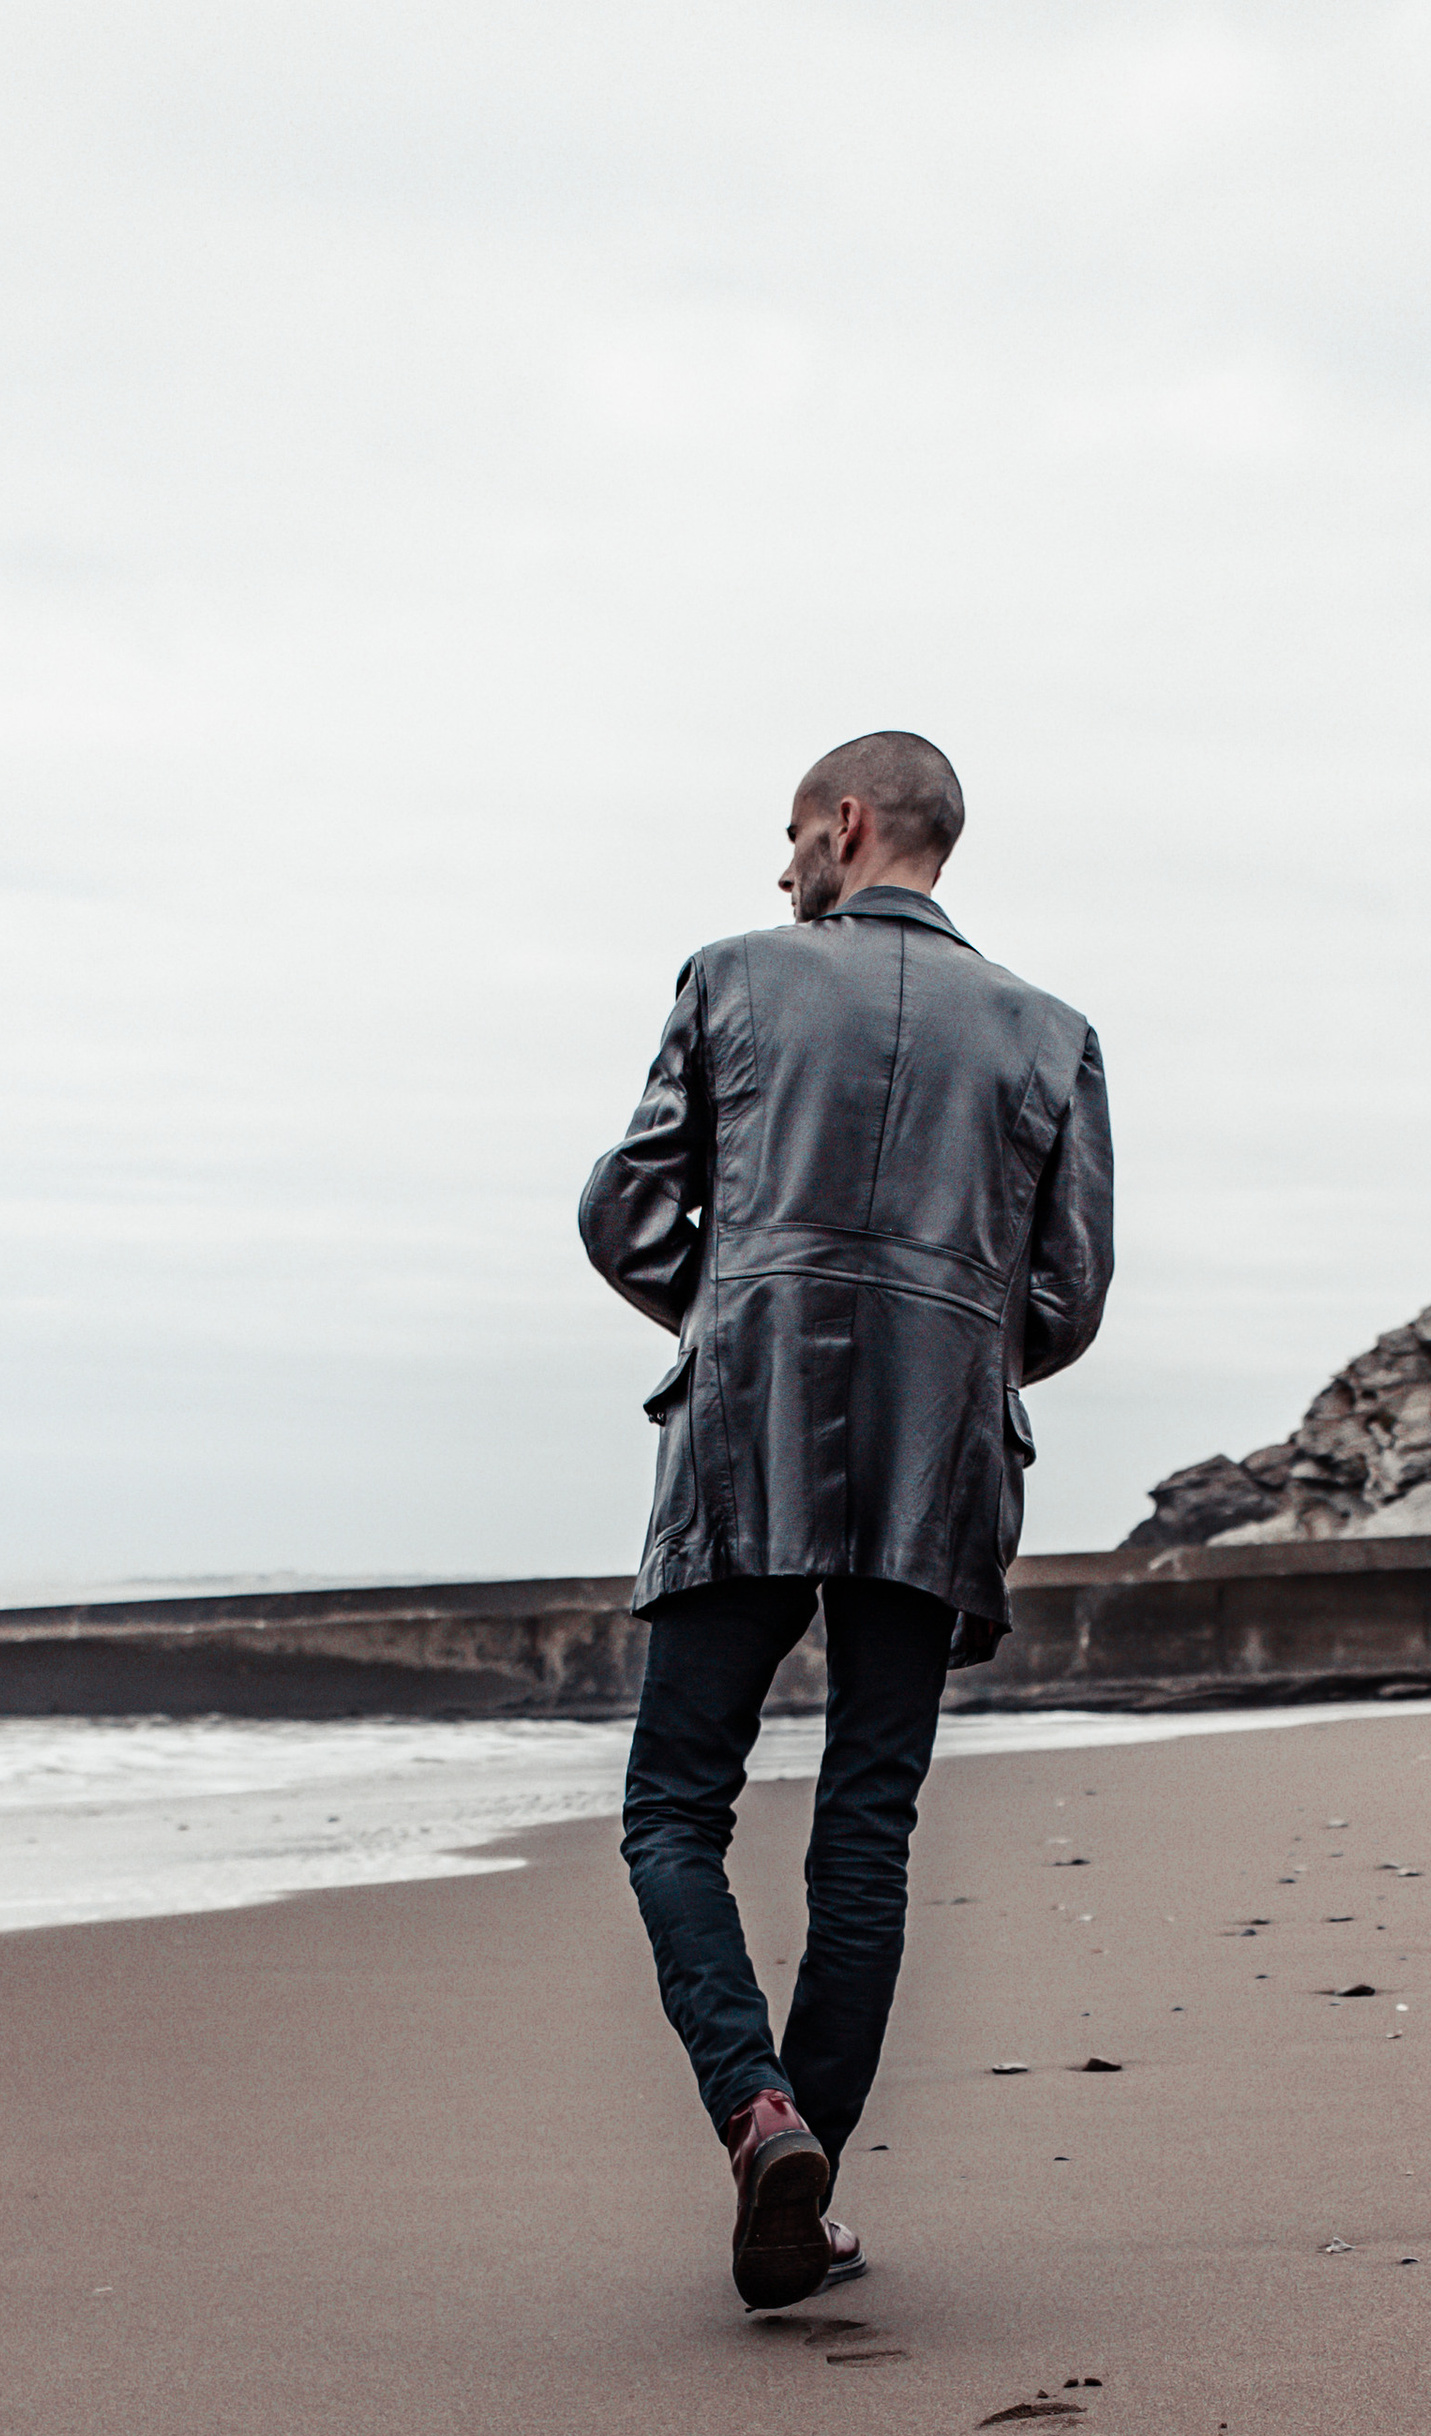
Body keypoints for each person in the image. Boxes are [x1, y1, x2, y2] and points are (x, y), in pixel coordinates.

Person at [579, 730, 1113, 2308]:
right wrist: (944, 1352)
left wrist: (739, 1306)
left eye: (793, 832)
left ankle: (758, 2118)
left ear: (851, 823)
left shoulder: (734, 977)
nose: (782, 866)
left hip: (747, 1437)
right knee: (863, 1834)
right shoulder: (1051, 1034)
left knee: (675, 1809)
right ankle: (805, 2195)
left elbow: (625, 1213)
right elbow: (1069, 1296)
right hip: (934, 1470)